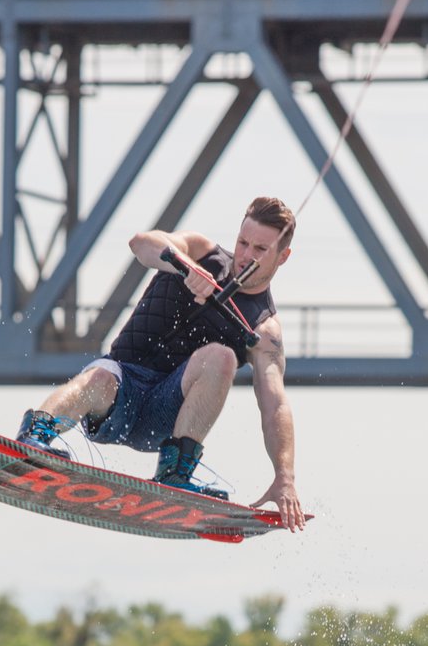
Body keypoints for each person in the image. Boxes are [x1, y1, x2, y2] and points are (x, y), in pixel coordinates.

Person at [16, 195, 306, 532]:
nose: (245, 256)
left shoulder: (264, 330)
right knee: (99, 376)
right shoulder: (201, 251)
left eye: (260, 249)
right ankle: (35, 436)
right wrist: (185, 266)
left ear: (283, 257)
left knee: (222, 356)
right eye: (243, 242)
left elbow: (275, 406)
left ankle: (175, 473)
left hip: (166, 415)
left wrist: (284, 477)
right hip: (119, 393)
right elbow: (141, 243)